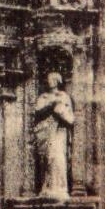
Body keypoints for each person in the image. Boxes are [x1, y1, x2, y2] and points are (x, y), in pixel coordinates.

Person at [33, 69, 74, 200]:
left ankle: (60, 188)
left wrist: (60, 110)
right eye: (48, 80)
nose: (49, 82)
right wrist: (51, 103)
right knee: (46, 159)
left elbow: (70, 118)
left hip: (59, 132)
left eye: (52, 80)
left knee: (57, 158)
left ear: (57, 81)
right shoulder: (43, 97)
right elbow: (37, 109)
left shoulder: (63, 96)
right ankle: (47, 187)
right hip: (45, 131)